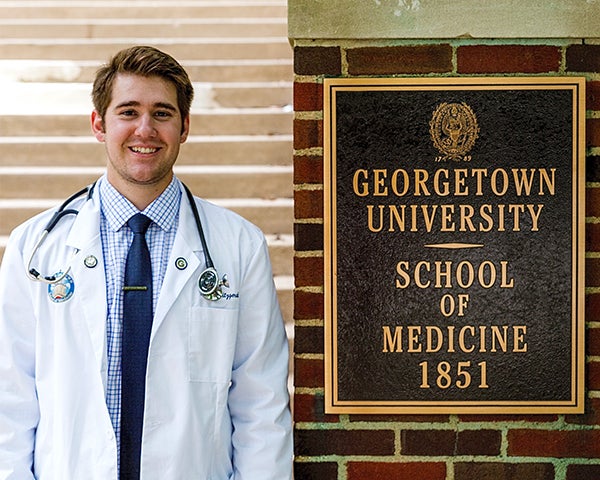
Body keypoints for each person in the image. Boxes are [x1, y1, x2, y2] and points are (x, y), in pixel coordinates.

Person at [0, 45, 293, 479]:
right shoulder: (35, 247)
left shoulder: (237, 245)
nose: (145, 129)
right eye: (128, 112)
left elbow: (262, 401)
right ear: (99, 124)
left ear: (185, 126)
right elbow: (10, 397)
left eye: (162, 113)